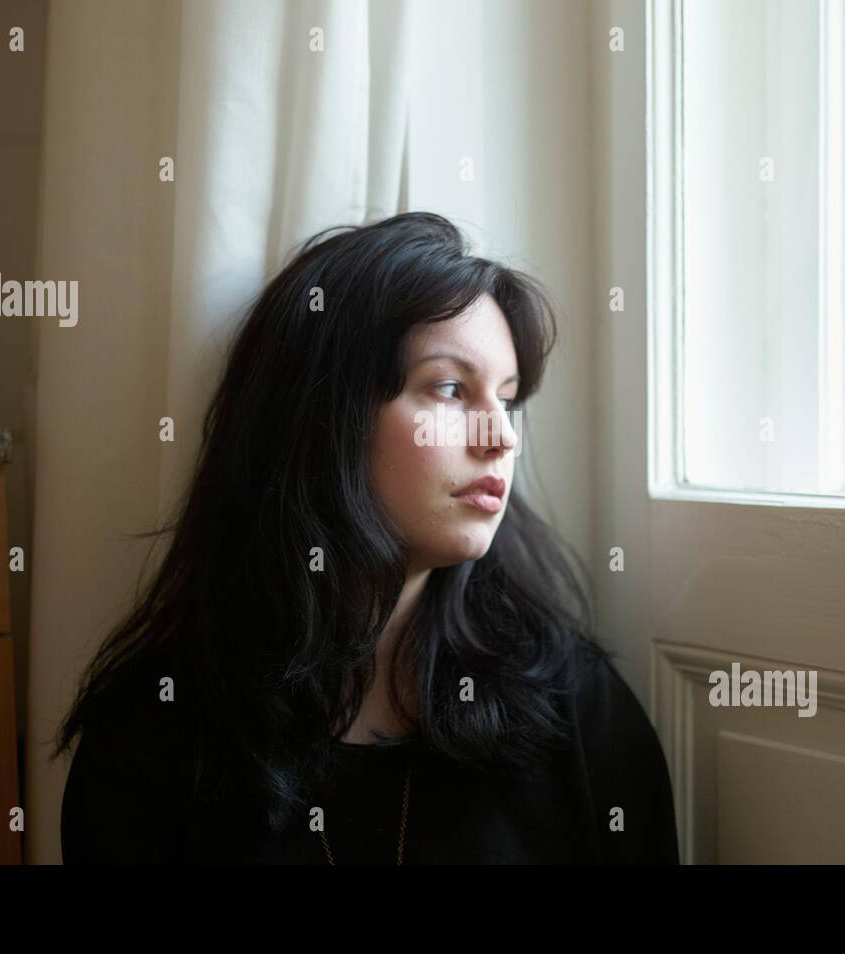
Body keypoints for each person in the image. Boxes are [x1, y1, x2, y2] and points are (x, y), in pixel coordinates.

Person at [54, 211, 678, 864]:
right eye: (449, 388)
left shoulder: (572, 706)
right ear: (326, 418)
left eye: (508, 398)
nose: (502, 437)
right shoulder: (155, 732)